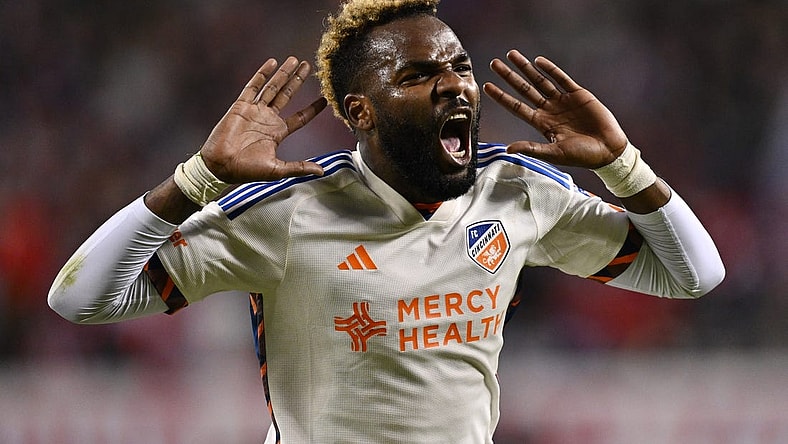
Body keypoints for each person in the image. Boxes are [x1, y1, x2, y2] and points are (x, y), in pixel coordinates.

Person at [48, 0, 725, 442]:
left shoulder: (518, 193)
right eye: (418, 74)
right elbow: (78, 299)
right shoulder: (288, 211)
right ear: (361, 110)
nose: (454, 84)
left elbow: (695, 275)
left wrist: (625, 167)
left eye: (459, 66)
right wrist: (197, 181)